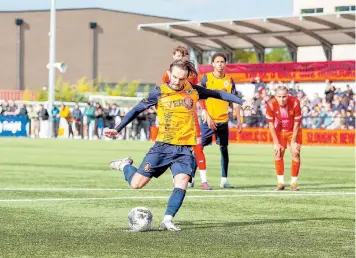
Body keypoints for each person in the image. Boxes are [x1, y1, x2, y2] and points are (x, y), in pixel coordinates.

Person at [105, 60, 250, 231]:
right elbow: (136, 109)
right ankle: (125, 165)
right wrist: (117, 129)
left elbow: (218, 93)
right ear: (169, 73)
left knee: (182, 181)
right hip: (162, 147)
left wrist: (241, 101)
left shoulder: (193, 90)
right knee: (136, 184)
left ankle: (167, 219)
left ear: (187, 77)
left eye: (181, 79)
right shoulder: (159, 93)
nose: (176, 81)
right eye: (174, 77)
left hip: (184, 149)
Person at [162, 45, 211, 190]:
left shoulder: (192, 74)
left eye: (183, 56)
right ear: (173, 57)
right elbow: (163, 95)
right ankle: (177, 179)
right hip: (174, 118)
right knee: (174, 149)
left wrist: (204, 110)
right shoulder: (167, 74)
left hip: (191, 116)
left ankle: (204, 181)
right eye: (178, 56)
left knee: (198, 147)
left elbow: (199, 93)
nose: (180, 58)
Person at [199, 53, 242, 188]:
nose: (220, 64)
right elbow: (200, 96)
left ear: (225, 64)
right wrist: (204, 111)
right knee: (199, 148)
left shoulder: (229, 81)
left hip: (222, 121)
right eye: (217, 61)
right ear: (213, 64)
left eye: (222, 61)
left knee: (224, 149)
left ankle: (224, 180)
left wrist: (239, 120)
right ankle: (192, 179)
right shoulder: (206, 78)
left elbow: (235, 102)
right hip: (207, 120)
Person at [265, 86, 302, 191]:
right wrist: (276, 143)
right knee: (278, 153)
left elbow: (297, 123)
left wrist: (294, 141)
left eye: (284, 97)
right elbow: (271, 125)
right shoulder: (271, 104)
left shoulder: (295, 102)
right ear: (275, 96)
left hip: (293, 131)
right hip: (279, 132)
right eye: (279, 97)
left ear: (288, 95)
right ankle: (280, 183)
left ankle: (293, 184)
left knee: (295, 152)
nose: (282, 99)